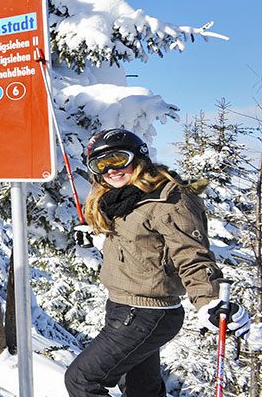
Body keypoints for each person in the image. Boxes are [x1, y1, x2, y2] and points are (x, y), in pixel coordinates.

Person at [65, 129, 251, 396]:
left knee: (81, 380)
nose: (111, 170)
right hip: (122, 307)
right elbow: (139, 246)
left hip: (146, 313)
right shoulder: (123, 197)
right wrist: (97, 238)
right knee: (141, 390)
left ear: (139, 158)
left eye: (118, 159)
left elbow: (191, 256)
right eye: (101, 164)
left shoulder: (170, 200)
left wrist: (209, 298)